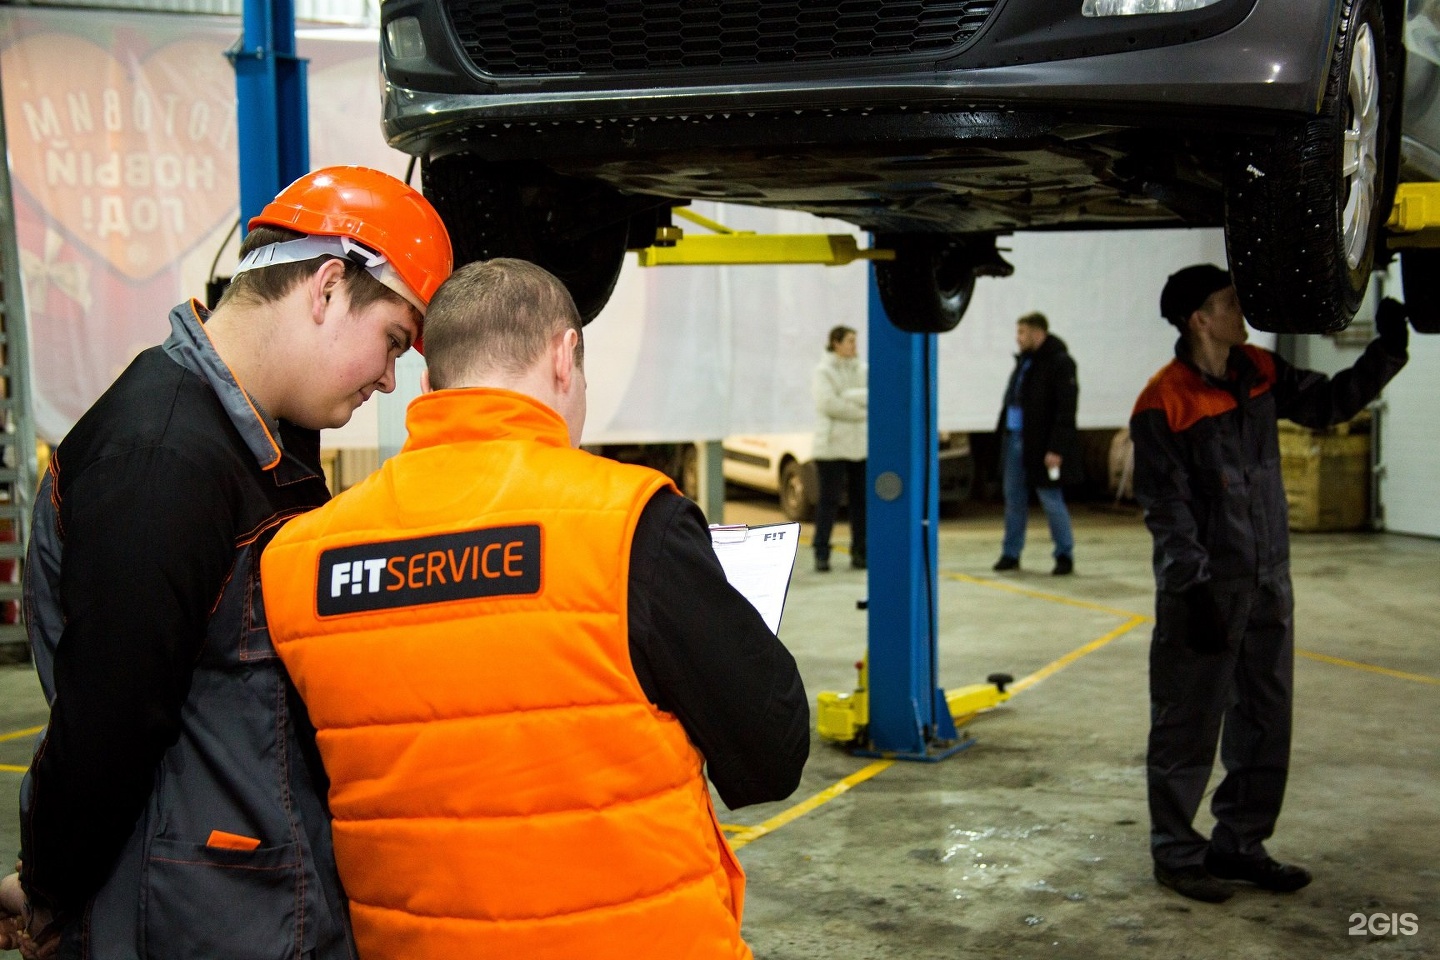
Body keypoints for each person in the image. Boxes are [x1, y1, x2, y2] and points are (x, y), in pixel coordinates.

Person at [259, 258, 809, 959]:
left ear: (428, 386)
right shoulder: (632, 523)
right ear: (564, 357)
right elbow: (771, 753)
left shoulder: (302, 558)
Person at [0, 166, 452, 957]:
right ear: (326, 286)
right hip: (190, 922)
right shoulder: (163, 459)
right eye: (391, 341)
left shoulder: (258, 445)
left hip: (253, 905)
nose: (388, 379)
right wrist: (50, 889)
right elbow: (107, 723)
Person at [1132, 264, 1409, 904]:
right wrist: (1192, 587)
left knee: (1265, 719)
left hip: (1267, 583)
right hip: (1203, 592)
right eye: (1230, 302)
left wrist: (1386, 352)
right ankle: (1176, 852)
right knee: (1186, 724)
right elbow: (1166, 509)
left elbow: (1330, 402)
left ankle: (1240, 843)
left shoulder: (1258, 370)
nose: (1243, 309)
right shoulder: (1163, 400)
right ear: (1199, 319)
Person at [993, 312, 1080, 575]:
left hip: (1041, 445)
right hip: (1014, 440)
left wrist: (1056, 448)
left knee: (1051, 498)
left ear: (1037, 333)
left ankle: (1064, 554)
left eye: (1022, 333)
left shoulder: (1060, 363)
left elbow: (1066, 410)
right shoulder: (1025, 363)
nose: (1018, 338)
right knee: (1014, 499)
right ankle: (1011, 553)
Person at [811, 325, 867, 572]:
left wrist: (848, 396)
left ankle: (861, 551)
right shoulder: (823, 371)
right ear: (836, 343)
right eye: (850, 341)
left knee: (861, 502)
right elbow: (827, 403)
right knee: (829, 501)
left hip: (859, 447)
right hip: (831, 448)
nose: (854, 346)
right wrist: (861, 410)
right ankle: (821, 551)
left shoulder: (863, 370)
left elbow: (874, 396)